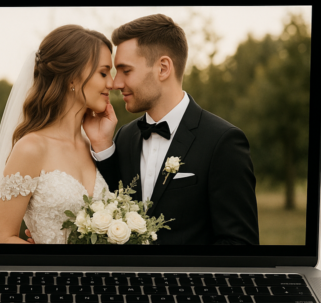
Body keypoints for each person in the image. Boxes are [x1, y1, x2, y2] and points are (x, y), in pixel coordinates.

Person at [84, 14, 259, 245]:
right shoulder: (125, 137)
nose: (116, 83)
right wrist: (103, 148)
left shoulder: (223, 142)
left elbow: (239, 245)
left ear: (163, 68)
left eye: (126, 71)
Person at [0, 25, 114, 244]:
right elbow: (2, 238)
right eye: (103, 73)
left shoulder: (93, 146)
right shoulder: (31, 148)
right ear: (72, 78)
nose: (111, 84)